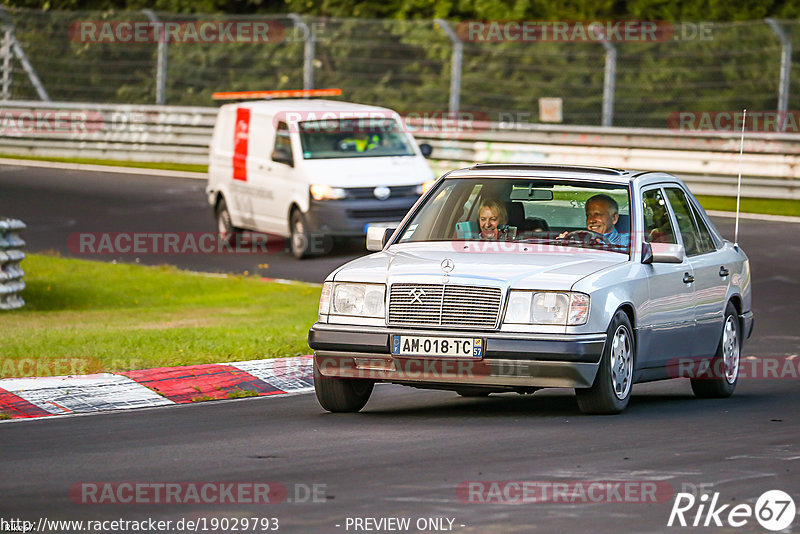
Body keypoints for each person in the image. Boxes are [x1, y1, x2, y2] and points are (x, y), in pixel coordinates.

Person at [559, 194, 629, 247]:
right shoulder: (578, 240)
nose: (591, 220)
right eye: (588, 215)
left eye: (598, 215)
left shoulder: (628, 242)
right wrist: (563, 243)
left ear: (614, 218)